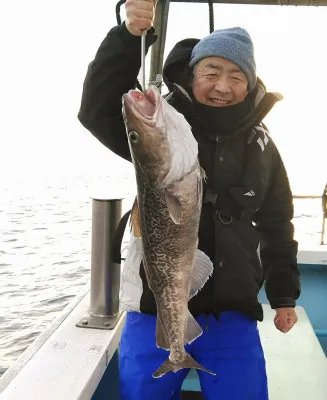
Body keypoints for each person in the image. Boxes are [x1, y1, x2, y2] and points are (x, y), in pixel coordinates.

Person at [78, 0, 301, 399]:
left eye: (236, 75)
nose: (222, 85)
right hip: (153, 309)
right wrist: (129, 38)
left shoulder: (262, 143)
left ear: (249, 84)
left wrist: (284, 295)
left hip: (232, 313)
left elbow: (277, 220)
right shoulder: (165, 121)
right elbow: (97, 110)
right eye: (211, 71)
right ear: (191, 73)